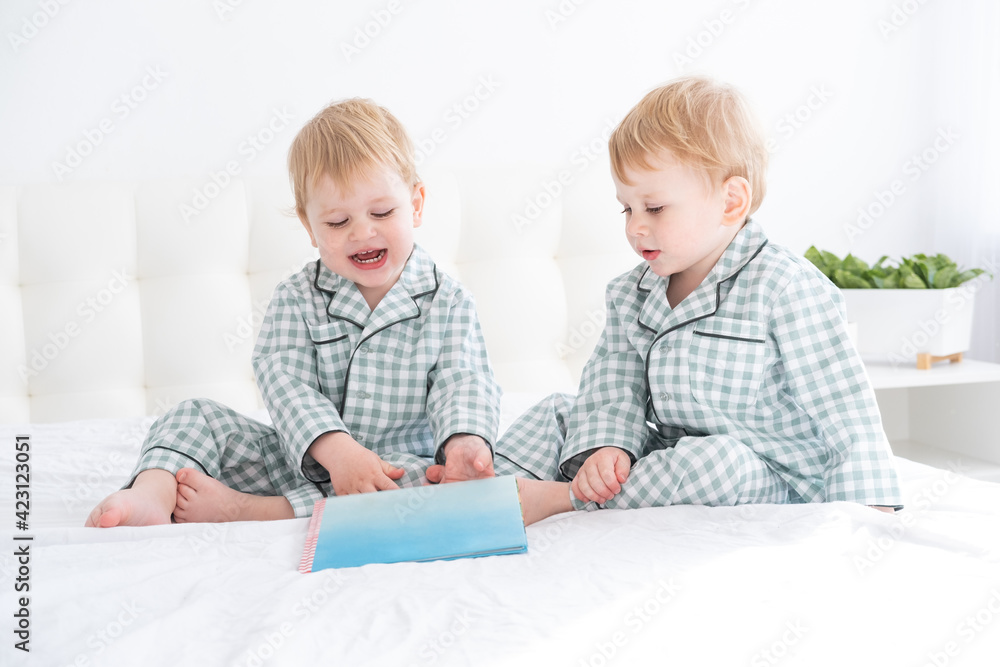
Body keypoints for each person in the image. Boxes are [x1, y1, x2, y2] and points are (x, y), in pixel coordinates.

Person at [86, 98, 502, 527]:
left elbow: (463, 380)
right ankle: (150, 494)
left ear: (415, 204)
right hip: (301, 457)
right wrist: (338, 451)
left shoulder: (448, 301)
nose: (362, 231)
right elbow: (285, 381)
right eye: (338, 222)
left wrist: (465, 442)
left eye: (382, 212)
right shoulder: (296, 298)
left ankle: (253, 510)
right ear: (309, 227)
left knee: (436, 485)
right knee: (191, 415)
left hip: (398, 467)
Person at [506, 77, 903, 524]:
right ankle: (482, 492)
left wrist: (869, 506)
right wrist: (608, 446)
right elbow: (613, 384)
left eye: (654, 208)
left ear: (731, 202)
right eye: (626, 208)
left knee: (714, 461)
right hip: (671, 452)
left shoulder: (785, 287)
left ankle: (561, 500)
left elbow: (844, 404)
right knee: (557, 410)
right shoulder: (629, 293)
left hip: (767, 472)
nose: (635, 226)